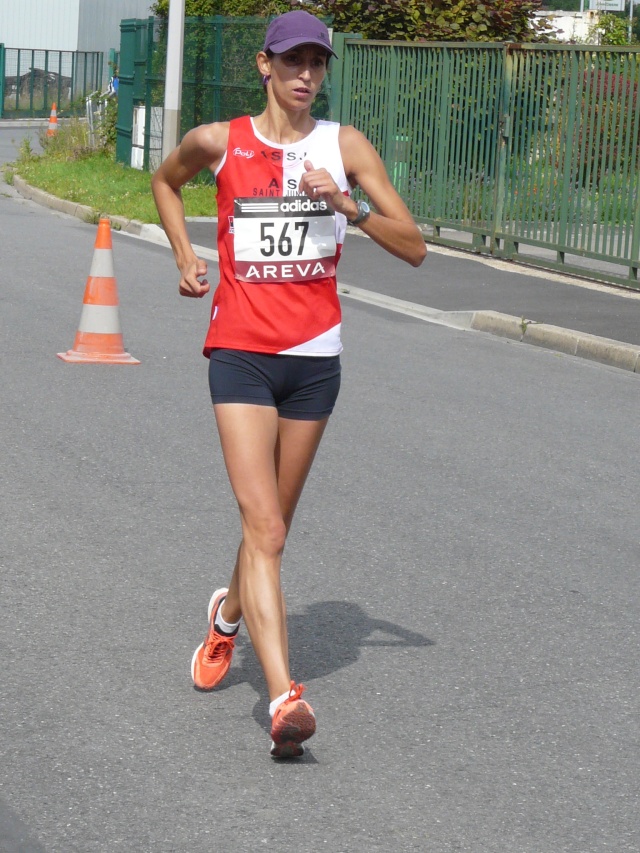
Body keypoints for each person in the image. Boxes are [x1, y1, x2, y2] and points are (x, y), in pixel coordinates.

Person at [151, 9, 426, 759]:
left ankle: (227, 617)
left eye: (318, 63)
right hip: (239, 351)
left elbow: (415, 248)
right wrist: (184, 255)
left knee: (272, 524)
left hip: (313, 361)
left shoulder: (345, 148)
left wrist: (348, 206)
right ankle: (282, 695)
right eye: (293, 60)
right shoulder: (221, 140)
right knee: (264, 527)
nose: (307, 74)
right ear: (264, 66)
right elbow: (164, 181)